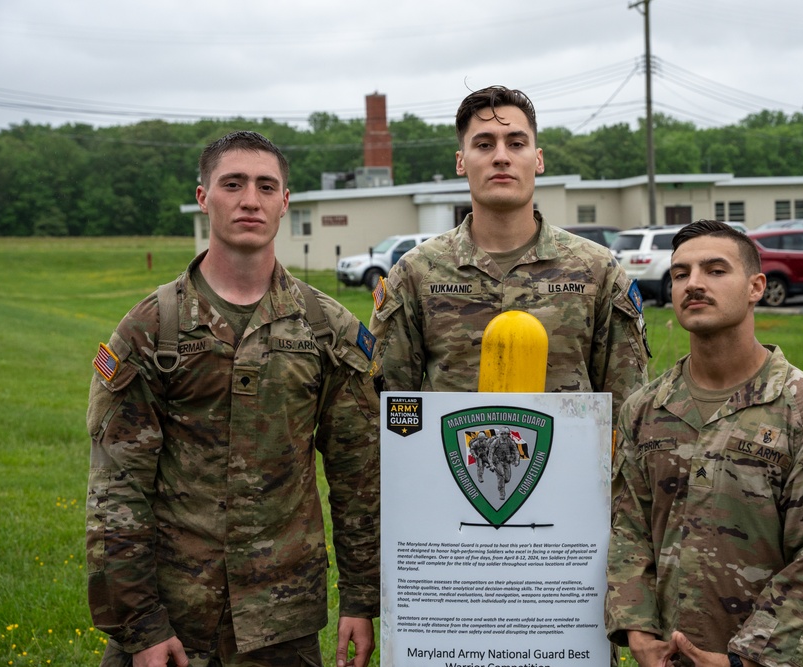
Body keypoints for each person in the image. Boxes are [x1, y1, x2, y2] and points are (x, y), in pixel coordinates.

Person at [86, 131, 379, 667]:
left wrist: (361, 596)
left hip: (283, 625)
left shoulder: (327, 329)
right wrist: (141, 625)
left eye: (267, 186)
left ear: (285, 202)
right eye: (233, 184)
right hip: (174, 623)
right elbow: (116, 494)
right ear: (204, 197)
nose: (250, 199)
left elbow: (358, 473)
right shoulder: (151, 329)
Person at [605, 220, 803, 667]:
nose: (693, 284)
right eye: (680, 273)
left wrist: (744, 660)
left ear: (756, 287)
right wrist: (638, 631)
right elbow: (628, 528)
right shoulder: (645, 409)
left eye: (715, 270)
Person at [368, 85, 649, 421]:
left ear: (538, 158)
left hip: (571, 471)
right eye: (484, 144)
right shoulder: (417, 273)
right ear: (461, 161)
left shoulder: (596, 271)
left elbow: (627, 409)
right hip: (452, 468)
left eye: (516, 143)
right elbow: (385, 412)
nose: (501, 156)